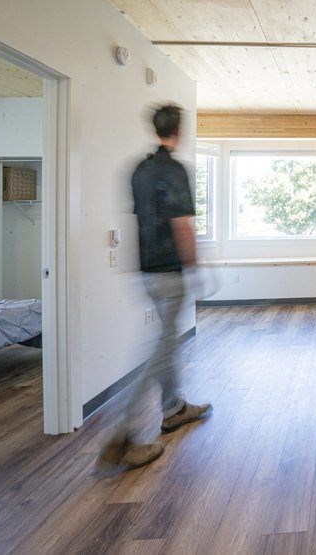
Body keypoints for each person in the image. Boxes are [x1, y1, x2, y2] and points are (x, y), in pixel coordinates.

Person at [98, 103, 210, 472]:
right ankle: (123, 435)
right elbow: (182, 225)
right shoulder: (173, 170)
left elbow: (142, 220)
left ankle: (174, 408)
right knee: (161, 348)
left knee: (166, 339)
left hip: (145, 271)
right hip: (168, 272)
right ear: (179, 131)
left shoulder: (139, 170)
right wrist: (195, 268)